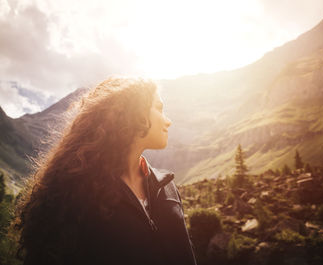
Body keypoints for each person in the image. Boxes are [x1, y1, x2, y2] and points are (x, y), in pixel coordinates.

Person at [14, 77, 197, 265]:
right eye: (159, 108)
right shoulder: (77, 192)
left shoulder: (167, 186)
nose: (168, 122)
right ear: (136, 114)